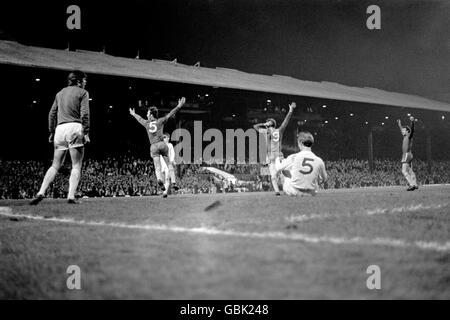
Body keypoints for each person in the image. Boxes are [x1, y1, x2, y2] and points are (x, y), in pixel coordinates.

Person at [30, 71, 90, 205]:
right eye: (84, 80)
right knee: (76, 165)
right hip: (75, 127)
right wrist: (85, 132)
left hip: (60, 129)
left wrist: (51, 131)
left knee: (55, 165)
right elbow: (85, 114)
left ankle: (41, 192)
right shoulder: (83, 93)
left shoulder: (60, 93)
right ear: (79, 81)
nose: (86, 83)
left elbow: (52, 113)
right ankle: (70, 196)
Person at [129, 97, 185, 196]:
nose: (146, 114)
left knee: (157, 167)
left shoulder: (146, 123)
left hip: (153, 146)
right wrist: (178, 106)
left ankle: (159, 179)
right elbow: (170, 114)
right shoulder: (160, 121)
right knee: (169, 165)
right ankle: (173, 182)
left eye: (147, 113)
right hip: (162, 145)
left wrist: (133, 114)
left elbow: (139, 119)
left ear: (151, 115)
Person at [254, 102, 296, 195]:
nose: (268, 122)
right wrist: (264, 123)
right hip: (272, 158)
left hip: (277, 156)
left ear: (272, 124)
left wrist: (290, 111)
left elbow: (286, 121)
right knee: (274, 176)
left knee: (285, 174)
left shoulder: (277, 131)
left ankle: (288, 189)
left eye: (269, 121)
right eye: (267, 121)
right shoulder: (266, 132)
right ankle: (277, 192)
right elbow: (255, 127)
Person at [274, 131, 327, 196]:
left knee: (284, 170)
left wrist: (277, 158)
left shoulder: (294, 157)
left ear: (300, 143)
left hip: (294, 191)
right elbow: (324, 178)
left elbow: (278, 168)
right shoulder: (319, 160)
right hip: (311, 193)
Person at [397, 116, 418, 191]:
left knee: (404, 171)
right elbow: (401, 130)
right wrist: (400, 125)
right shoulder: (405, 136)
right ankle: (415, 184)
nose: (402, 131)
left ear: (407, 131)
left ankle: (411, 185)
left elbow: (412, 131)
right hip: (409, 154)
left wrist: (412, 122)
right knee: (410, 170)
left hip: (406, 154)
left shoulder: (409, 136)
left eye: (404, 130)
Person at [159, 133, 178, 198]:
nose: (164, 138)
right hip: (161, 164)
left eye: (165, 137)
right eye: (163, 137)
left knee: (167, 179)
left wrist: (172, 160)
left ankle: (165, 193)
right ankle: (164, 191)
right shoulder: (160, 145)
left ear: (168, 138)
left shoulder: (170, 145)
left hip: (168, 164)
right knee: (162, 180)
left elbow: (172, 153)